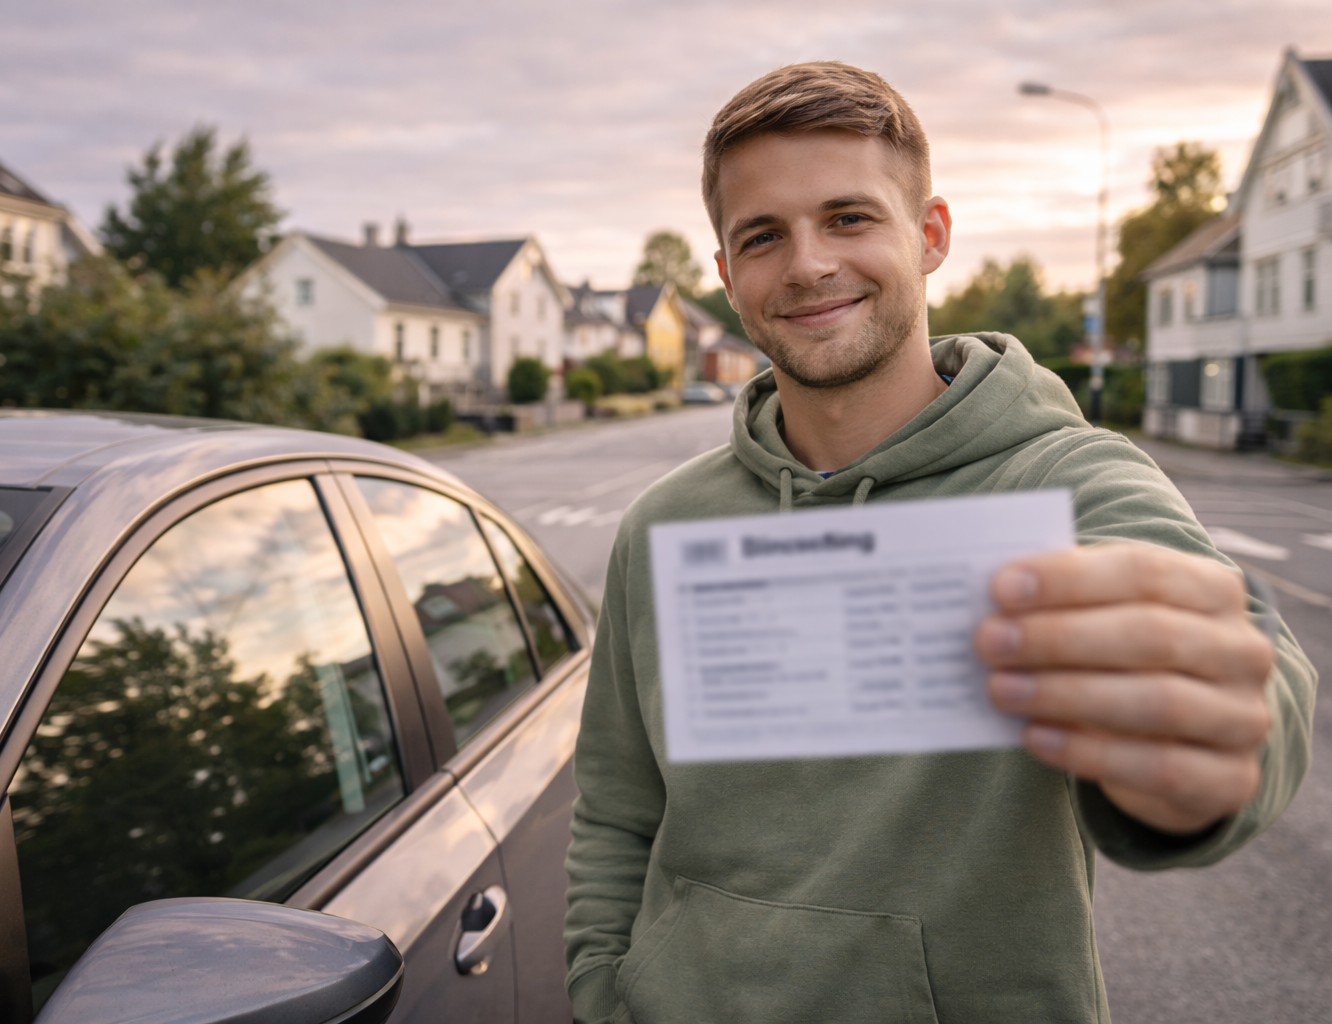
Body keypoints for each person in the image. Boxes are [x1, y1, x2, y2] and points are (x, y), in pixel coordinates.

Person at [563, 61, 1315, 1024]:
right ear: (726, 278)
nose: (806, 264)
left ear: (929, 237)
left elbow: (1248, 660)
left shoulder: (1060, 484)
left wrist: (1215, 737)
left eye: (848, 218)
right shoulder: (661, 525)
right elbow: (618, 811)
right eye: (762, 236)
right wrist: (598, 993)